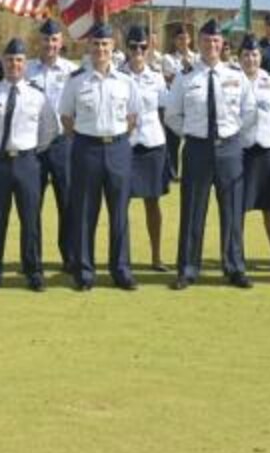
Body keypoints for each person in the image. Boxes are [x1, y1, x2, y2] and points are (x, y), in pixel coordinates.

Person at [163, 19, 252, 288]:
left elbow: (249, 112)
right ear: (198, 43)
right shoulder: (185, 76)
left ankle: (234, 266)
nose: (212, 45)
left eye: (216, 41)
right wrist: (193, 133)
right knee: (193, 210)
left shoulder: (236, 75)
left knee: (233, 211)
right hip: (197, 149)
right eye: (206, 40)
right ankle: (188, 268)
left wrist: (231, 133)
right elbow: (172, 115)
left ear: (222, 44)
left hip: (229, 148)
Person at [0, 38, 58, 291]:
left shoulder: (37, 97)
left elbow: (49, 129)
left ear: (25, 63)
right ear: (3, 63)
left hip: (28, 163)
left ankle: (33, 272)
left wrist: (29, 149)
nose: (14, 65)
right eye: (9, 60)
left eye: (19, 60)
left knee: (30, 219)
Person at [60, 23, 140, 290]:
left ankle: (121, 269)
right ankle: (84, 271)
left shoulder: (126, 82)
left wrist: (113, 137)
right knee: (84, 213)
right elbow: (67, 118)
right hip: (86, 149)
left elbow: (132, 117)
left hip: (117, 148)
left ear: (113, 47)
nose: (100, 49)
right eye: (96, 44)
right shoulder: (76, 81)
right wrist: (88, 137)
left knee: (119, 213)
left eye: (105, 44)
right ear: (89, 47)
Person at [26, 21, 80, 273]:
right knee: (31, 204)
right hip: (33, 146)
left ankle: (70, 257)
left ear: (61, 42)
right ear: (40, 41)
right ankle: (32, 259)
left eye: (55, 40)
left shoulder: (73, 71)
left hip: (62, 144)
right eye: (46, 40)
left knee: (68, 203)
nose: (50, 45)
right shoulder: (25, 70)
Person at [122, 24, 174, 272]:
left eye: (143, 46)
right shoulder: (118, 76)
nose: (138, 51)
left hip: (152, 144)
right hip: (127, 146)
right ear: (126, 48)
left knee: (153, 204)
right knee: (121, 203)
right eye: (133, 46)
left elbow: (165, 109)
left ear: (149, 47)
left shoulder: (156, 78)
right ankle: (123, 258)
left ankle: (156, 257)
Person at [236, 35, 270, 275]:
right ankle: (237, 257)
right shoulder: (231, 81)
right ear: (239, 57)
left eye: (254, 54)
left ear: (261, 56)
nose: (250, 59)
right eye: (246, 55)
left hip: (267, 149)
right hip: (241, 150)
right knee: (238, 208)